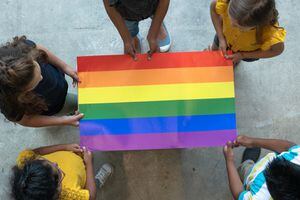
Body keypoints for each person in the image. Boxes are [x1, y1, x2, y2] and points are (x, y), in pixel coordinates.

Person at [0, 36, 83, 127]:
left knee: (76, 103)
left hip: (58, 89)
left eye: (38, 67)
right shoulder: (10, 105)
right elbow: (27, 120)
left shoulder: (21, 51)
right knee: (71, 105)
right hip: (53, 106)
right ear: (21, 94)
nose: (41, 77)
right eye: (36, 82)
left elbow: (39, 50)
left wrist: (64, 67)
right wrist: (63, 120)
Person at [11, 143, 113, 200]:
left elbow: (36, 152)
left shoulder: (25, 160)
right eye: (59, 175)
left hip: (75, 160)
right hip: (82, 178)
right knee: (91, 186)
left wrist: (64, 147)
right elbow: (91, 196)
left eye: (48, 162)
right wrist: (89, 164)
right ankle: (96, 181)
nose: (56, 163)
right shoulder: (67, 195)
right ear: (58, 191)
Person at [223, 135, 300, 200]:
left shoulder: (258, 197)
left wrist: (229, 160)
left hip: (251, 177)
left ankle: (246, 162)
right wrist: (252, 142)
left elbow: (238, 193)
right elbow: (289, 147)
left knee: (246, 169)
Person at [209, 0, 286, 64]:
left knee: (230, 61)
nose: (231, 25)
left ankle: (233, 61)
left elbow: (277, 50)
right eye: (229, 18)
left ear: (258, 24)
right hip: (224, 36)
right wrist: (221, 38)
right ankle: (212, 53)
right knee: (215, 49)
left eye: (239, 27)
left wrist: (242, 55)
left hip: (246, 51)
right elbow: (213, 8)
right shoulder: (226, 2)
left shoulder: (270, 32)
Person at [103, 0, 171, 60]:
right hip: (126, 11)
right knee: (130, 28)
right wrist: (127, 40)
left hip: (154, 5)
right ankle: (133, 37)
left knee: (157, 14)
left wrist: (153, 35)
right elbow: (109, 6)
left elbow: (164, 1)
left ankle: (158, 27)